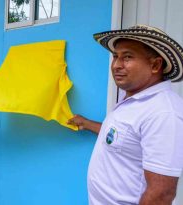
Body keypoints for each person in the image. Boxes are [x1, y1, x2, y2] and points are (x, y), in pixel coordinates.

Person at [68, 25, 183, 205]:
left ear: (155, 65)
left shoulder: (164, 112)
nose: (116, 65)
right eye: (115, 57)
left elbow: (162, 194)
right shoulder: (134, 100)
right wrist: (86, 123)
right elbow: (122, 138)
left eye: (127, 57)